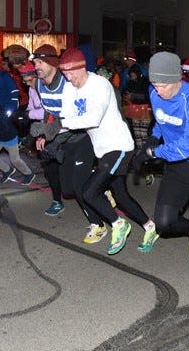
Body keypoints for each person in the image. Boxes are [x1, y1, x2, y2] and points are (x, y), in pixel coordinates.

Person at [132, 51, 189, 292]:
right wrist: (152, 140)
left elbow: (188, 146)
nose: (158, 91)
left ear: (178, 79)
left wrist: (154, 154)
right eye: (154, 84)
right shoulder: (155, 92)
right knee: (164, 223)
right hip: (175, 165)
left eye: (163, 85)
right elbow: (161, 122)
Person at [55, 48, 157, 256]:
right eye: (64, 73)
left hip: (119, 145)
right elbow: (65, 117)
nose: (68, 77)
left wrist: (59, 124)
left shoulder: (100, 85)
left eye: (71, 72)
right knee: (121, 196)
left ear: (82, 67)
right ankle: (150, 227)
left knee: (89, 191)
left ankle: (118, 225)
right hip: (101, 148)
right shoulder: (68, 88)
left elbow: (91, 119)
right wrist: (51, 137)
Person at [29, 44, 104, 236]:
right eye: (35, 62)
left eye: (40, 62)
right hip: (61, 137)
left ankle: (98, 225)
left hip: (80, 136)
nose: (36, 66)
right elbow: (48, 111)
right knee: (68, 188)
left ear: (53, 63)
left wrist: (50, 133)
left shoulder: (67, 82)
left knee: (79, 187)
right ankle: (100, 187)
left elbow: (77, 114)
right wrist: (42, 134)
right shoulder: (38, 84)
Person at [0, 59, 35, 185]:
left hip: (8, 135)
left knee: (15, 159)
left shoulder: (4, 77)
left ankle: (29, 174)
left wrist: (10, 109)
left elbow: (14, 93)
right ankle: (8, 170)